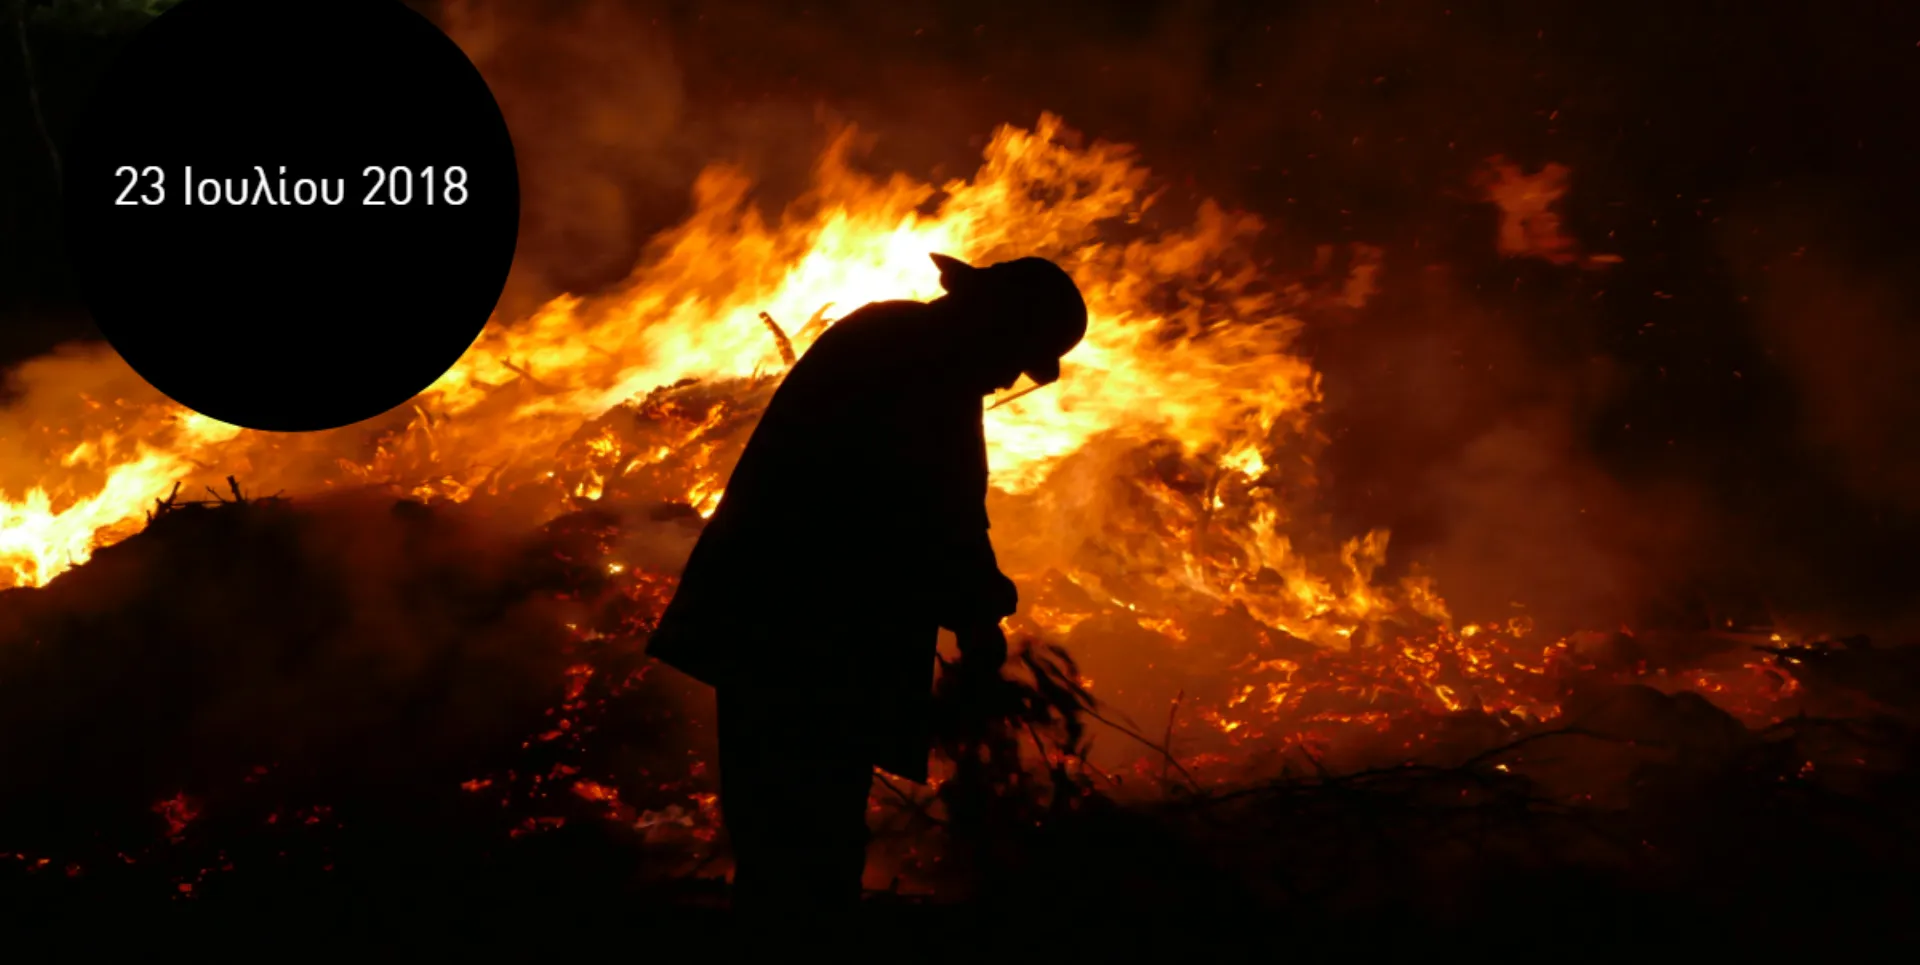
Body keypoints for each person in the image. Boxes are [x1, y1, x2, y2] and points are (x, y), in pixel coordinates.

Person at [645, 252, 1088, 929]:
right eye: (1018, 354)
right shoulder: (922, 366)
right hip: (804, 637)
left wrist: (974, 606)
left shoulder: (901, 343)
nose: (1009, 377)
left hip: (774, 625)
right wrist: (979, 611)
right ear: (994, 323)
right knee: (806, 840)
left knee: (784, 836)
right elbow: (937, 511)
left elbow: (942, 513)